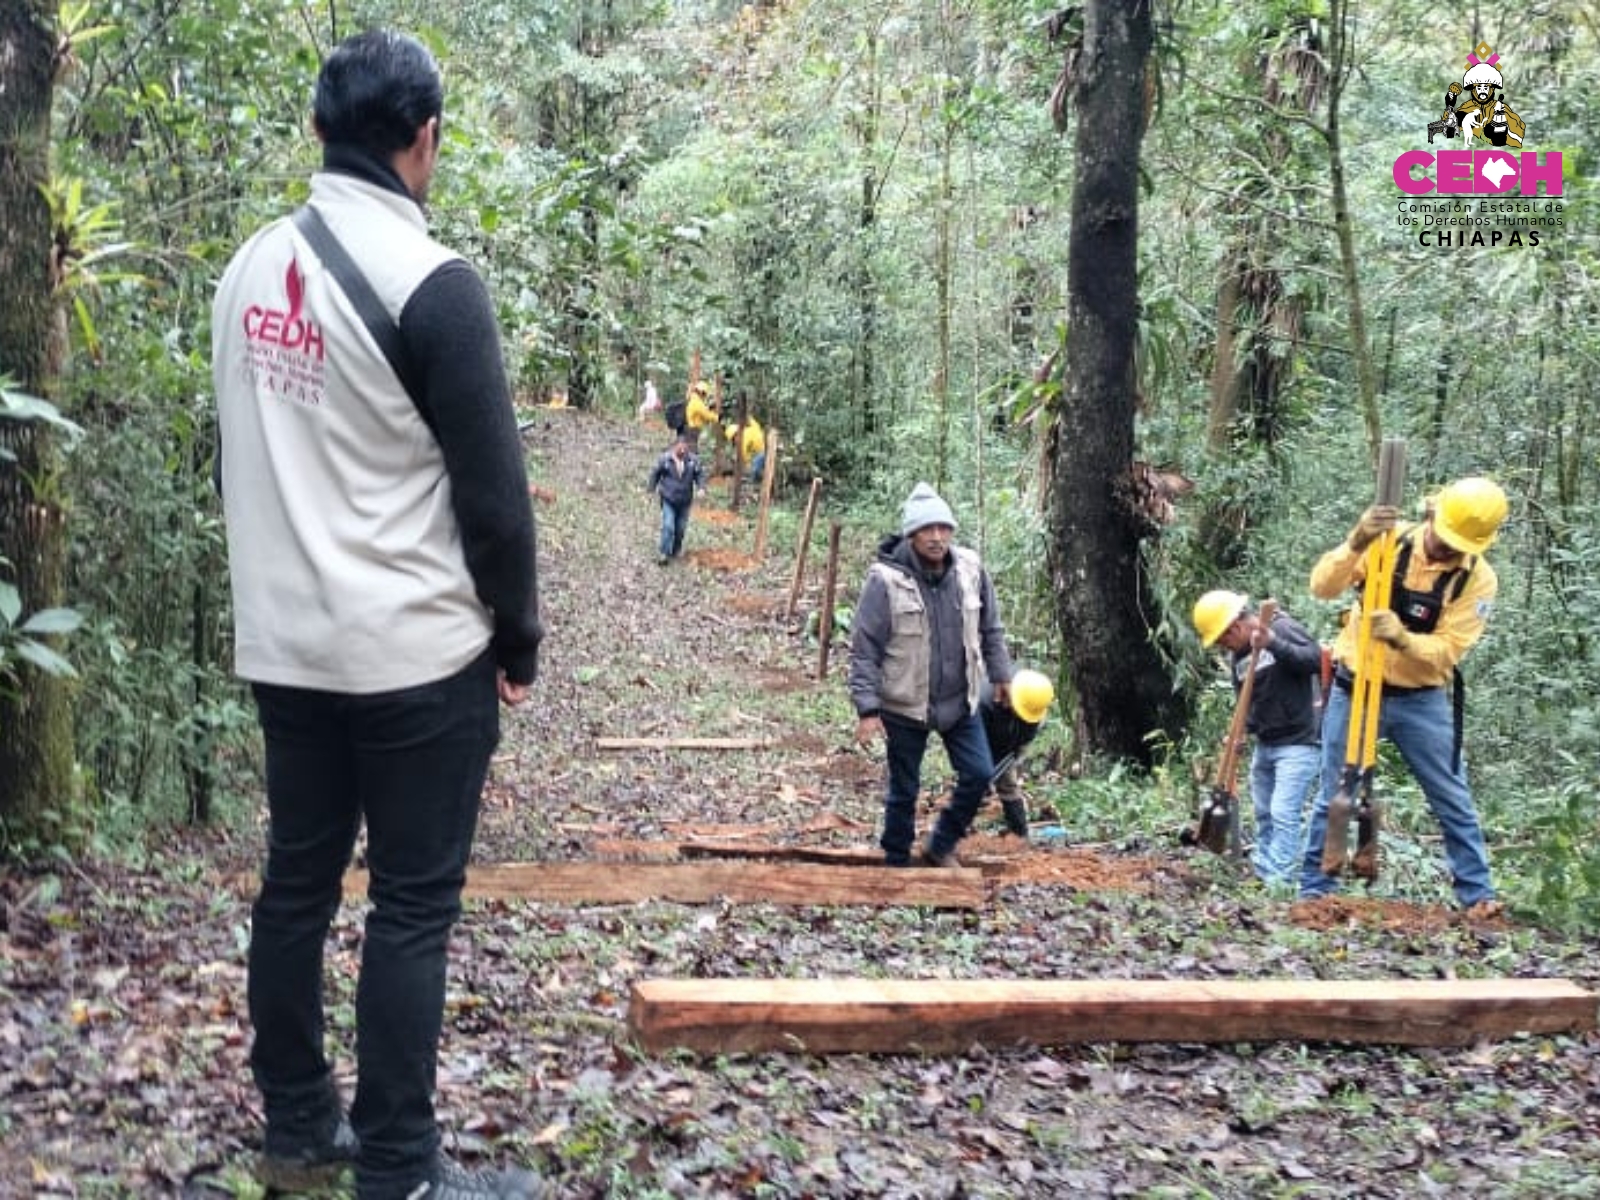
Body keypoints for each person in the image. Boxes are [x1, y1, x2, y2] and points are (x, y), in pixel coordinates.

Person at [211, 30, 546, 1200]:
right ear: (425, 140)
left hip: (287, 652)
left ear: (318, 130)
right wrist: (518, 639)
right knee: (411, 905)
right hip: (414, 658)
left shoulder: (246, 269)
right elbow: (496, 504)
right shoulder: (435, 286)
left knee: (295, 884)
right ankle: (399, 1165)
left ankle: (300, 1127)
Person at [1298, 477, 1509, 910]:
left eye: (1458, 546)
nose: (1446, 550)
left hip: (1421, 700)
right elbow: (1321, 587)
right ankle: (1316, 895)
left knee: (1451, 796)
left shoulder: (1477, 582)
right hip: (1354, 689)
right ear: (1432, 515)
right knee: (1335, 793)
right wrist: (1356, 541)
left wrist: (1402, 639)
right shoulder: (1387, 543)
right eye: (1444, 538)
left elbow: (1448, 651)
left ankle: (1478, 898)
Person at [848, 482, 1015, 867]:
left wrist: (1002, 675)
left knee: (978, 775)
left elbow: (991, 628)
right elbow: (865, 648)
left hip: (961, 700)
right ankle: (895, 861)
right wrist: (868, 709)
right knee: (904, 790)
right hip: (905, 703)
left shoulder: (970, 570)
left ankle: (940, 846)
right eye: (928, 530)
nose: (937, 537)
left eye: (944, 528)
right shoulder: (885, 580)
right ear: (912, 534)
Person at [1192, 591, 1323, 886]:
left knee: (1283, 812)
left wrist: (1273, 645)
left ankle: (1280, 880)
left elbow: (1316, 659)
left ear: (1235, 628)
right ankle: (1264, 872)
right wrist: (1240, 731)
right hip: (1266, 742)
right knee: (1264, 812)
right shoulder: (1238, 655)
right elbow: (1248, 699)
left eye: (1223, 639)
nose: (1223, 646)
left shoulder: (1281, 628)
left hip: (1299, 740)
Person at [979, 668, 1054, 837]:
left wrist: (1010, 758)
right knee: (973, 784)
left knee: (1008, 785)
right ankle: (955, 832)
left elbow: (1023, 741)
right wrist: (981, 772)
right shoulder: (984, 699)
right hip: (979, 738)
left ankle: (1019, 835)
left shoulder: (1033, 705)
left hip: (1005, 745)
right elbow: (971, 739)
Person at [647, 429, 706, 563]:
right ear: (674, 447)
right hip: (669, 498)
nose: (682, 452)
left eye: (685, 449)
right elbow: (655, 473)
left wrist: (701, 488)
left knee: (680, 528)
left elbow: (700, 474)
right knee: (668, 526)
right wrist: (651, 489)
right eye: (680, 449)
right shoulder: (665, 459)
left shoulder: (693, 461)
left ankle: (676, 549)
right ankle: (664, 553)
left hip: (685, 500)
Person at [725, 416, 766, 484]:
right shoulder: (748, 430)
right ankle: (757, 479)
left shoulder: (743, 440)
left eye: (733, 440)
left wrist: (739, 461)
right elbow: (753, 422)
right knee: (755, 465)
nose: (734, 442)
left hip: (763, 451)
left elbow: (744, 456)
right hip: (762, 448)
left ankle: (753, 483)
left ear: (736, 435)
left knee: (754, 468)